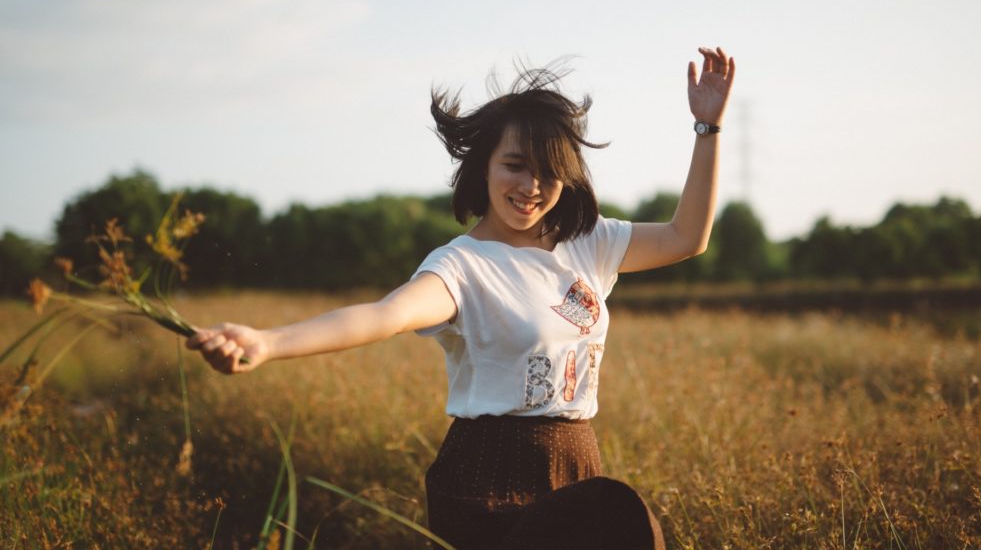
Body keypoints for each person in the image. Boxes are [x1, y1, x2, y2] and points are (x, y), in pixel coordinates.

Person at [188, 47, 735, 549]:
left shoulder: (587, 243)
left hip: (576, 461)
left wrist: (707, 128)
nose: (531, 186)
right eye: (515, 165)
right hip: (488, 476)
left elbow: (687, 237)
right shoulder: (463, 265)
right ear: (485, 166)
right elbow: (383, 316)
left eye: (548, 172)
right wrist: (267, 341)